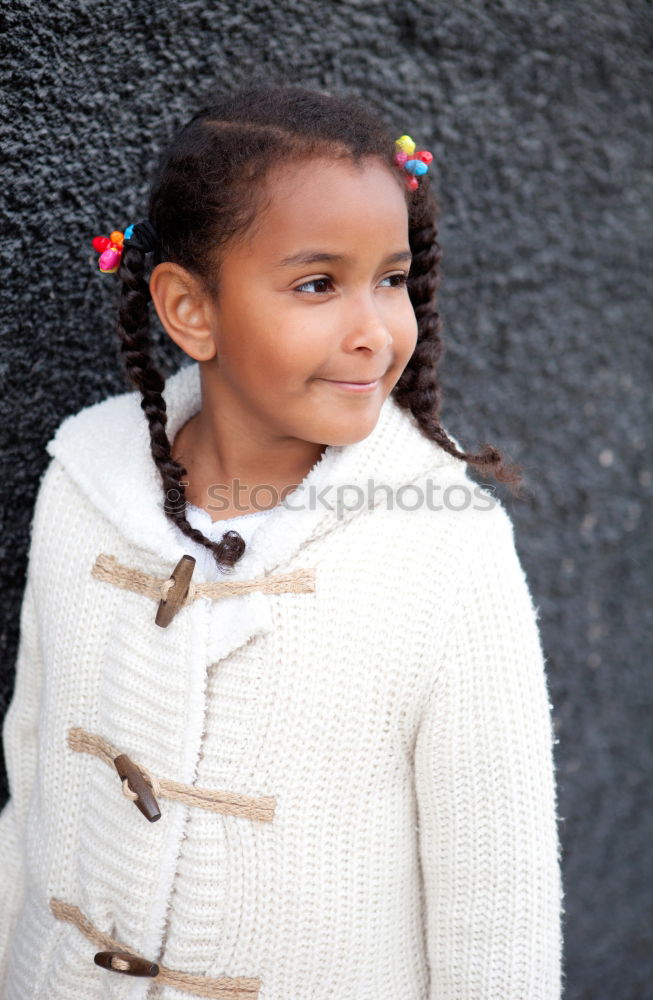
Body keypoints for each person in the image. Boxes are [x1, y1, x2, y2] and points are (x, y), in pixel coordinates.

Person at [0, 84, 564, 999]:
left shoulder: (446, 548)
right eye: (316, 284)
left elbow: (498, 909)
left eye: (390, 278)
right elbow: (34, 781)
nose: (376, 332)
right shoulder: (82, 486)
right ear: (191, 311)